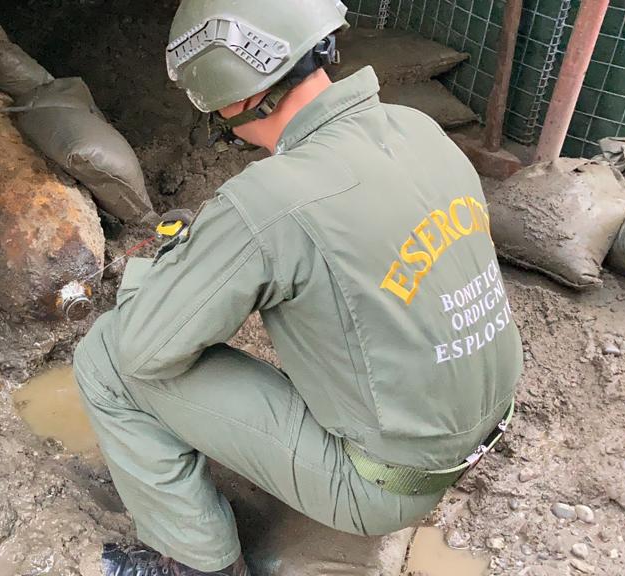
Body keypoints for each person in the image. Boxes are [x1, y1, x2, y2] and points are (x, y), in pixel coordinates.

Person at [73, 1, 523, 574]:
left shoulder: (271, 199)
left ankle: (195, 563)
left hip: (388, 486)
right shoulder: (416, 128)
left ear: (228, 93)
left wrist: (155, 270)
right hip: (477, 432)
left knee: (107, 358)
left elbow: (143, 346)